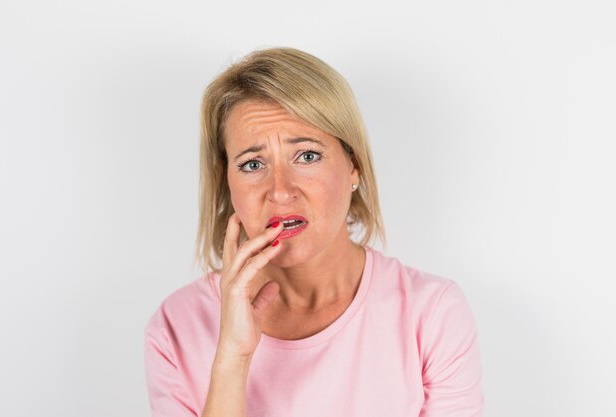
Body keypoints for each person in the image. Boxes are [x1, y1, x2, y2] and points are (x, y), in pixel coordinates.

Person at [144, 47, 484, 417]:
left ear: (353, 166)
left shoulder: (431, 314)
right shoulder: (176, 327)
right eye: (253, 163)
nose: (280, 190)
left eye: (307, 156)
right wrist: (233, 358)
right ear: (227, 183)